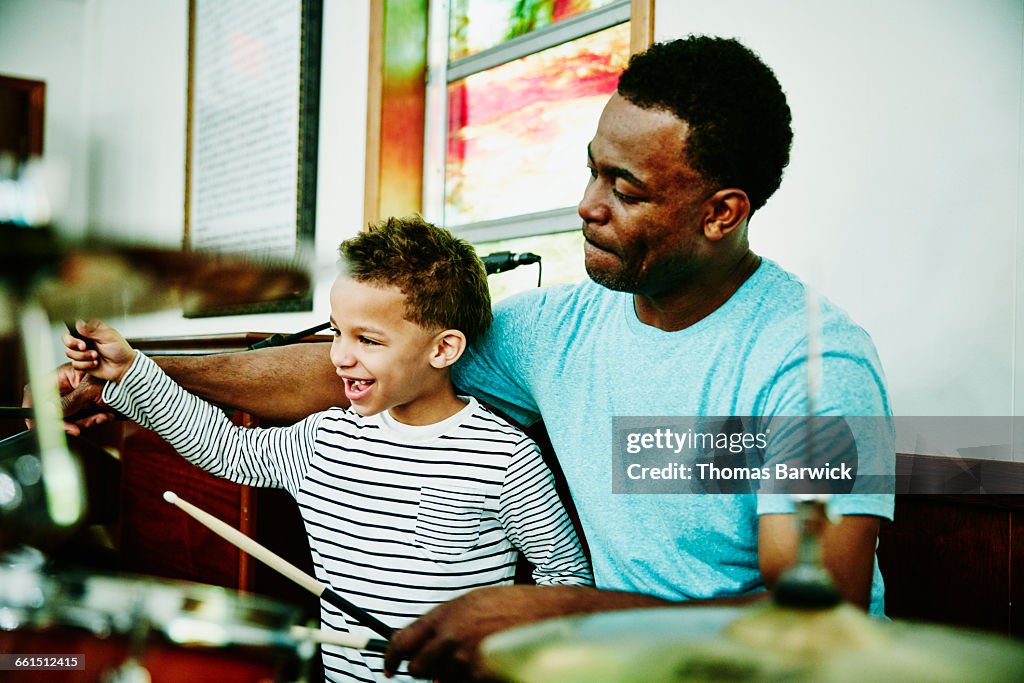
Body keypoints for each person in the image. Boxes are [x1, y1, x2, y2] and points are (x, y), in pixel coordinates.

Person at [53, 36, 893, 683]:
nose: (586, 206)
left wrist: (563, 608)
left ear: (722, 212)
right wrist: (128, 369)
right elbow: (366, 366)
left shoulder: (819, 368)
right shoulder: (562, 327)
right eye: (591, 172)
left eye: (625, 190)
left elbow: (815, 618)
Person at [62, 216, 593, 683]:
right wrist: (132, 371)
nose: (339, 356)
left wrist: (505, 657)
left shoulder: (505, 458)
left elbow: (565, 581)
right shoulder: (327, 438)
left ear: (443, 348)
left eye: (369, 340)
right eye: (338, 332)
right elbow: (225, 450)